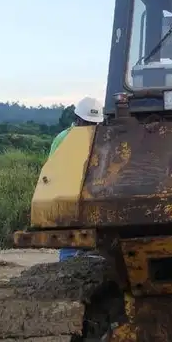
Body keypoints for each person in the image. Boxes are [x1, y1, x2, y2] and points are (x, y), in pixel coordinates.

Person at [50, 97, 103, 261]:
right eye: (88, 122)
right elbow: (53, 170)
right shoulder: (64, 138)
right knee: (71, 240)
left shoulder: (100, 138)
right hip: (69, 195)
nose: (91, 127)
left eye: (94, 124)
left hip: (95, 194)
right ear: (78, 119)